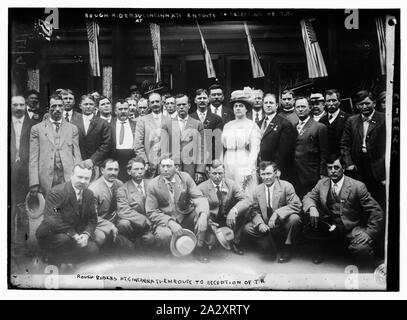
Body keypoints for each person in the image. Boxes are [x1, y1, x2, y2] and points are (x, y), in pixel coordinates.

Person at [302, 156, 384, 265]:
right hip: (330, 225)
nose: (333, 171)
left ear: (343, 168)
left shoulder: (357, 186)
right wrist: (312, 208)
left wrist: (369, 233)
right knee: (311, 220)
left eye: (336, 167)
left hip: (352, 227)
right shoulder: (322, 183)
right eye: (330, 168)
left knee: (361, 249)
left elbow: (376, 211)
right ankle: (321, 248)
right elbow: (308, 197)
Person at [145, 156, 210, 262]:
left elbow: (199, 198)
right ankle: (167, 253)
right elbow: (151, 211)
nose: (165, 169)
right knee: (164, 235)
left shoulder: (185, 178)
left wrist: (203, 215)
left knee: (203, 216)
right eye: (163, 166)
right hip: (165, 219)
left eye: (169, 166)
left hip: (184, 215)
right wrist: (170, 222)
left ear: (177, 167)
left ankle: (199, 248)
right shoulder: (153, 184)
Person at [36, 163, 99, 265]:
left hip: (76, 235)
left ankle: (70, 262)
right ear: (71, 175)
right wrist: (74, 234)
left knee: (93, 249)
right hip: (53, 233)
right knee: (63, 240)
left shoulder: (89, 194)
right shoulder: (57, 192)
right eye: (80, 177)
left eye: (87, 178)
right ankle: (50, 259)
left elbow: (92, 219)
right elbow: (53, 218)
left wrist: (86, 235)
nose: (83, 181)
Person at [244, 162, 302, 262]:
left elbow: (297, 205)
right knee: (247, 228)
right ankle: (268, 245)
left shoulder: (286, 186)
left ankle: (287, 247)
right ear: (260, 175)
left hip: (282, 223)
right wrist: (260, 224)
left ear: (275, 173)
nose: (266, 177)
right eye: (263, 174)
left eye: (269, 173)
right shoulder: (257, 190)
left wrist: (277, 213)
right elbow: (254, 211)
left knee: (294, 219)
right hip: (267, 224)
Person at [29, 94, 82, 195]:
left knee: (66, 206)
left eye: (60, 106)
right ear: (48, 108)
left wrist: (78, 177)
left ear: (63, 107)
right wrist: (34, 182)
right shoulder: (37, 129)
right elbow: (33, 158)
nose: (57, 109)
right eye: (54, 106)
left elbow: (77, 155)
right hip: (46, 178)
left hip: (67, 177)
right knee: (49, 206)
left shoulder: (72, 128)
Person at [340, 90, 386, 208]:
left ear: (374, 103)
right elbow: (345, 144)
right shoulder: (352, 120)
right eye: (361, 104)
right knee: (361, 198)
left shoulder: (384, 119)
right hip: (359, 166)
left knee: (379, 197)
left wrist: (382, 167)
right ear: (357, 106)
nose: (364, 107)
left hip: (378, 165)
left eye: (367, 103)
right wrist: (349, 163)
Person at [198, 160, 251, 255]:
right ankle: (203, 248)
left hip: (228, 218)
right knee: (212, 241)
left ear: (224, 173)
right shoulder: (201, 187)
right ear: (209, 173)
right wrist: (207, 219)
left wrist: (234, 211)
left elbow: (246, 200)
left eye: (220, 173)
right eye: (214, 173)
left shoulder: (231, 184)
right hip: (211, 221)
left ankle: (235, 241)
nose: (217, 176)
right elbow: (196, 206)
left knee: (247, 209)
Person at [88, 159, 134, 249]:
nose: (113, 173)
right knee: (102, 238)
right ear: (102, 170)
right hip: (100, 223)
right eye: (110, 169)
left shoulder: (119, 184)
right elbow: (92, 216)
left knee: (126, 224)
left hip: (116, 219)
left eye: (116, 170)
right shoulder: (94, 189)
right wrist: (110, 226)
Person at [222, 90, 261, 194]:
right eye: (236, 106)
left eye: (241, 106)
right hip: (228, 160)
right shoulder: (227, 125)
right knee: (229, 190)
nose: (238, 108)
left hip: (243, 160)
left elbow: (255, 149)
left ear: (246, 109)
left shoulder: (252, 125)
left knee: (243, 190)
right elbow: (223, 145)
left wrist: (249, 167)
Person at [11, 96, 36, 254]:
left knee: (22, 210)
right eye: (15, 105)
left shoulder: (32, 124)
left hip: (24, 173)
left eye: (22, 104)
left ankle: (21, 245)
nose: (19, 107)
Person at [161, 93, 206, 184]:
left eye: (184, 104)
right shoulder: (167, 124)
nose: (181, 107)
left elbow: (203, 149)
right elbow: (163, 149)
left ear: (189, 106)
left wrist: (200, 170)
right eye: (178, 105)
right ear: (175, 107)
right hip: (173, 167)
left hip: (191, 168)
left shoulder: (197, 124)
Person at [293, 96, 329, 198]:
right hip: (295, 175)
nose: (300, 109)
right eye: (298, 107)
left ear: (309, 108)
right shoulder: (292, 127)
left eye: (303, 107)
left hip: (311, 175)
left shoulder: (319, 127)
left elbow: (324, 153)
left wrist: (322, 174)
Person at [257, 93, 296, 183]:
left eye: (271, 103)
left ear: (276, 105)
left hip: (274, 170)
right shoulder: (259, 124)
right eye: (266, 103)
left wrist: (277, 169)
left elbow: (284, 152)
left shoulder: (284, 123)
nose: (268, 105)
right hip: (261, 168)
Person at [116, 157, 155, 246]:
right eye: (136, 169)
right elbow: (123, 210)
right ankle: (131, 241)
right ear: (129, 172)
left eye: (142, 169)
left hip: (151, 222)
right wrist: (144, 220)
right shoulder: (123, 189)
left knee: (150, 240)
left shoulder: (152, 184)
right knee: (123, 224)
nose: (140, 171)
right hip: (134, 224)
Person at [71, 94, 112, 172]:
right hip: (78, 163)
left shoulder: (103, 123)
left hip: (97, 164)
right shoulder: (73, 123)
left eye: (91, 104)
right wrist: (78, 160)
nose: (88, 106)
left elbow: (106, 144)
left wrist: (92, 160)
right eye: (85, 104)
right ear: (80, 106)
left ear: (95, 106)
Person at [134, 92, 169, 177]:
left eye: (157, 101)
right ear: (149, 104)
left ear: (162, 103)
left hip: (165, 164)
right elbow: (138, 145)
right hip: (149, 165)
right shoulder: (143, 120)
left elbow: (174, 144)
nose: (155, 104)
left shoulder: (169, 120)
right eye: (152, 102)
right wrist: (145, 162)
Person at [190, 89, 223, 163]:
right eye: (199, 98)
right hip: (193, 159)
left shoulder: (216, 119)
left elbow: (218, 141)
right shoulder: (189, 118)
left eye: (204, 98)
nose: (202, 100)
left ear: (208, 100)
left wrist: (215, 158)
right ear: (195, 100)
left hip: (211, 158)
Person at [110, 100, 136, 182]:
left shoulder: (136, 124)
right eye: (120, 109)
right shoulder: (109, 125)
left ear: (129, 110)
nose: (123, 111)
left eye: (125, 109)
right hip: (115, 158)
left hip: (132, 157)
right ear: (115, 111)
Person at [319, 89, 350, 158]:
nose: (331, 104)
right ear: (325, 103)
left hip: (344, 158)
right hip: (328, 161)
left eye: (334, 100)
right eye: (328, 101)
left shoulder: (348, 118)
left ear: (339, 101)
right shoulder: (321, 121)